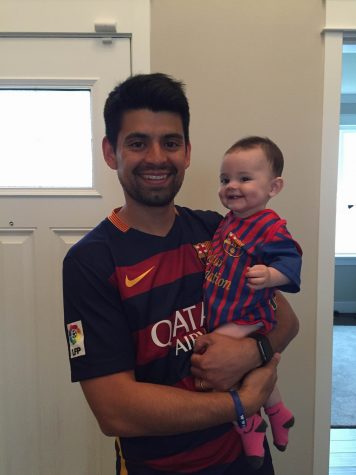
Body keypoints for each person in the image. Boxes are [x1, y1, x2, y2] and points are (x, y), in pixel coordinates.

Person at [63, 73, 299, 475]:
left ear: (187, 152)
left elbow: (287, 320)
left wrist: (251, 352)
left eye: (170, 143)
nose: (157, 157)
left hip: (248, 460)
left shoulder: (219, 229)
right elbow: (115, 412)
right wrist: (239, 402)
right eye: (138, 143)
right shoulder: (91, 262)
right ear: (109, 151)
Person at [204, 136, 302, 469]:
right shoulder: (228, 222)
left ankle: (249, 425)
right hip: (226, 311)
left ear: (273, 186)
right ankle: (278, 411)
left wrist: (273, 276)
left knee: (217, 357)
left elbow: (291, 261)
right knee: (255, 367)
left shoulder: (269, 226)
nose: (232, 186)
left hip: (248, 315)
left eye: (244, 178)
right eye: (225, 179)